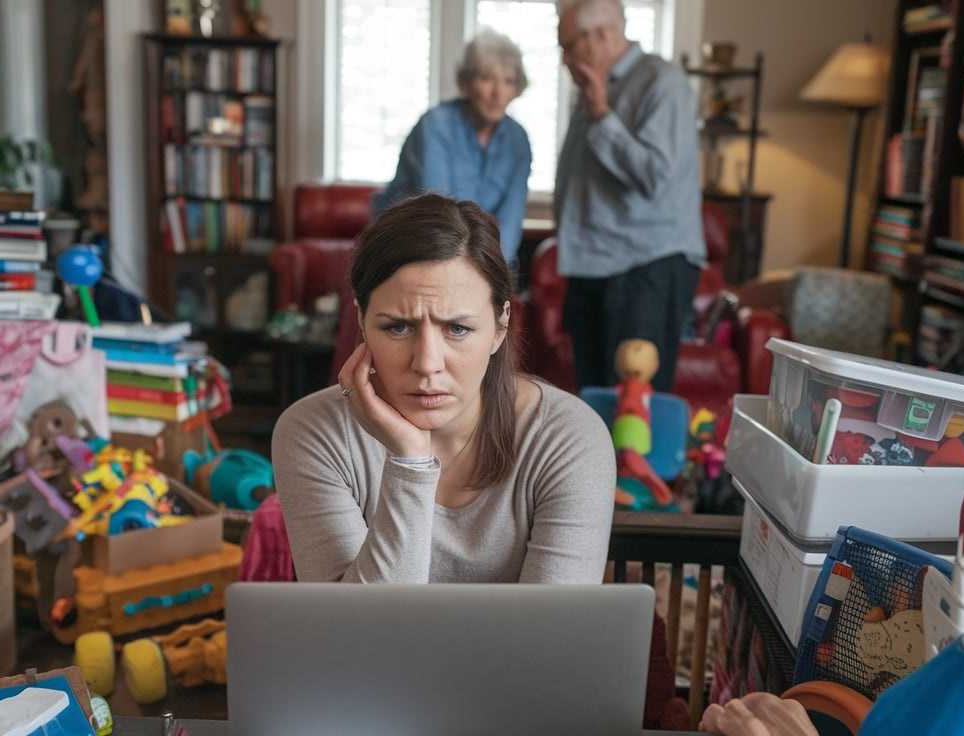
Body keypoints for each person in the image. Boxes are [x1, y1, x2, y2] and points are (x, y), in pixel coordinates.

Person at [272, 194, 615, 583]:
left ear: (500, 325)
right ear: (362, 320)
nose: (427, 363)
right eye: (398, 327)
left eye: (458, 329)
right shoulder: (312, 431)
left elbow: (557, 624)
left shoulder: (568, 437)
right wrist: (410, 462)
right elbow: (353, 621)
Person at [555, 0, 704, 393]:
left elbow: (655, 175)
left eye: (569, 46)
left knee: (632, 406)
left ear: (603, 35)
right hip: (594, 263)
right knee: (592, 404)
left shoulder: (662, 82)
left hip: (644, 267)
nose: (565, 59)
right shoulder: (595, 86)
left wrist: (602, 115)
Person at [373, 30, 533, 265]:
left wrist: (491, 272)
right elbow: (440, 216)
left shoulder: (518, 140)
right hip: (407, 246)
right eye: (486, 79)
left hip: (473, 257)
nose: (498, 93)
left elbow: (510, 223)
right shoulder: (435, 126)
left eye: (508, 81)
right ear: (466, 82)